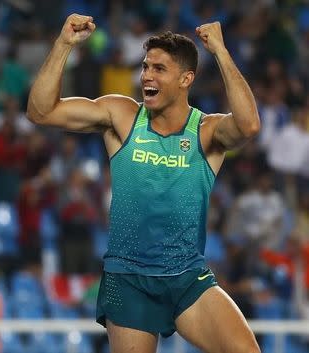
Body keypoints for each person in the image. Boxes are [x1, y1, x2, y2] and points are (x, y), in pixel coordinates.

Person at [27, 13, 261, 353]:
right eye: (145, 67)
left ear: (186, 79)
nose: (146, 76)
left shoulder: (207, 131)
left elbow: (249, 125)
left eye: (159, 69)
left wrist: (222, 53)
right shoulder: (121, 116)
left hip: (185, 277)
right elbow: (41, 111)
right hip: (129, 279)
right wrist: (64, 44)